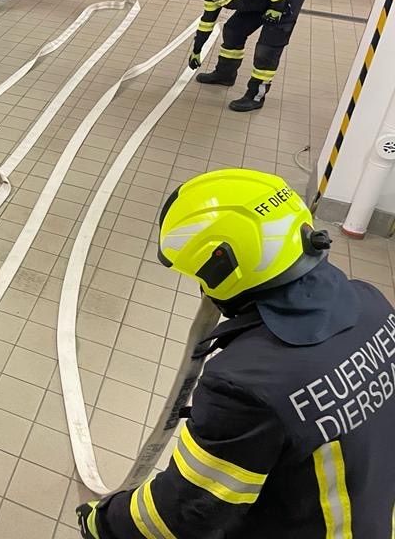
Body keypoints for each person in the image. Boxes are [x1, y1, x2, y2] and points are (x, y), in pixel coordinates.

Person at [76, 168, 395, 538]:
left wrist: (102, 522)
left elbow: (185, 513)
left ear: (223, 269)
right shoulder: (372, 303)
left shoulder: (246, 385)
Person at [182, 0, 307, 112]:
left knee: (267, 47)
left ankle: (255, 96)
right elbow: (207, 21)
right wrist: (196, 50)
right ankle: (225, 74)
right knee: (233, 31)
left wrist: (277, 9)